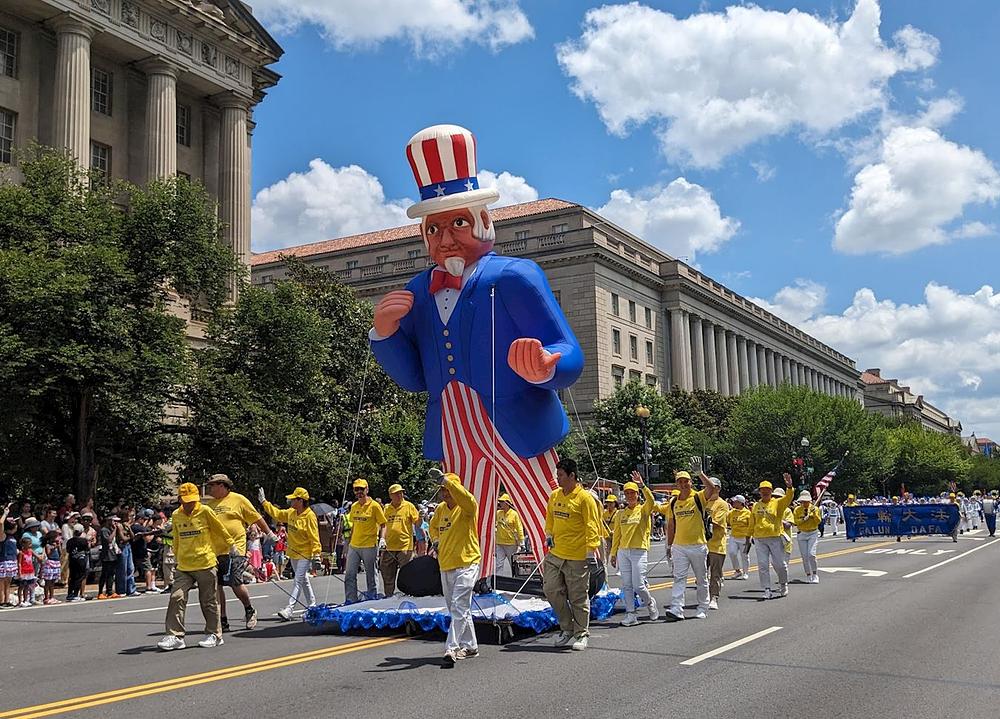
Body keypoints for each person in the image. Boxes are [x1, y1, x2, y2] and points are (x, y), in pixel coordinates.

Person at [370, 125, 584, 576]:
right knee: (468, 514)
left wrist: (547, 366)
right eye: (434, 228)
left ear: (484, 220)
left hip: (516, 420)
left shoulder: (514, 277)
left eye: (458, 223)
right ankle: (472, 582)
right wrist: (385, 335)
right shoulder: (418, 292)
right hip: (454, 425)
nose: (446, 238)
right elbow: (414, 378)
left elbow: (568, 348)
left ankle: (577, 577)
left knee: (544, 506)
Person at [158, 483, 237, 651]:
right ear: (180, 499)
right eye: (185, 501)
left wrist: (232, 546)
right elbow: (177, 538)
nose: (189, 504)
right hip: (184, 565)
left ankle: (214, 634)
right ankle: (175, 636)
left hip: (205, 563)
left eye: (192, 500)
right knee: (176, 597)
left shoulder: (205, 511)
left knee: (208, 601)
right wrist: (177, 558)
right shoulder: (176, 515)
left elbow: (220, 529)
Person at [542, 457, 602, 651]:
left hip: (577, 556)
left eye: (560, 475)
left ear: (572, 476)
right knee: (551, 589)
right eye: (557, 474)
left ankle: (581, 633)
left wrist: (591, 552)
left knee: (577, 596)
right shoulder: (554, 496)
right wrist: (549, 535)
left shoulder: (585, 498)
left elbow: (592, 525)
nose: (557, 478)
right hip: (556, 553)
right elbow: (549, 519)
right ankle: (566, 628)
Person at [204, 474, 274, 631]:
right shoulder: (209, 506)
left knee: (235, 583)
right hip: (215, 551)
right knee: (217, 586)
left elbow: (255, 517)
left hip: (235, 549)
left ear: (222, 486)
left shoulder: (238, 499)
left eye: (212, 485)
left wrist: (269, 533)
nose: (209, 489)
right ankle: (222, 620)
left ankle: (249, 609)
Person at [429, 470, 481, 666]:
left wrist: (448, 481)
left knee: (459, 606)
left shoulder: (467, 507)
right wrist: (435, 540)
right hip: (446, 564)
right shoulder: (441, 510)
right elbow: (433, 527)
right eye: (443, 489)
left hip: (467, 563)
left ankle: (452, 647)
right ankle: (471, 645)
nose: (445, 492)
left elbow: (467, 498)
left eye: (449, 488)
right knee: (457, 608)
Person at [662, 470, 720, 621]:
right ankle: (676, 609)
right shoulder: (674, 502)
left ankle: (702, 607)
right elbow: (671, 524)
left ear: (690, 482)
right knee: (679, 578)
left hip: (697, 545)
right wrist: (669, 545)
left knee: (701, 579)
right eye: (680, 482)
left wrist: (700, 473)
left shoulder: (697, 497)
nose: (683, 484)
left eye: (685, 481)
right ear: (677, 484)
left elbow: (712, 489)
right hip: (679, 546)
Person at [260, 487, 321, 621]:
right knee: (303, 580)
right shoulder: (291, 512)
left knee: (298, 580)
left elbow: (314, 536)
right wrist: (264, 502)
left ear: (300, 501)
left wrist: (316, 554)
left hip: (305, 553)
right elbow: (277, 514)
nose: (291, 501)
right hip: (293, 552)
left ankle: (289, 608)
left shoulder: (310, 516)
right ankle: (312, 605)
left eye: (293, 499)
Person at [610, 471, 658, 626]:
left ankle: (650, 602)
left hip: (639, 551)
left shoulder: (644, 510)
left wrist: (642, 485)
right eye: (627, 493)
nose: (630, 495)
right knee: (627, 585)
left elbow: (651, 500)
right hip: (623, 552)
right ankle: (631, 614)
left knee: (638, 585)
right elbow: (617, 535)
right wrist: (613, 554)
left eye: (633, 493)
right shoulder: (620, 514)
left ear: (637, 494)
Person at [749, 473, 795, 599]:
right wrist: (749, 535)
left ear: (771, 491)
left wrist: (789, 486)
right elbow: (752, 521)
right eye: (762, 490)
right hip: (760, 539)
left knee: (780, 564)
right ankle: (766, 589)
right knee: (763, 564)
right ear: (759, 492)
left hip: (775, 537)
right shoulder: (756, 505)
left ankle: (783, 583)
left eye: (767, 490)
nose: (765, 492)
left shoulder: (777, 503)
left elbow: (789, 497)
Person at [344, 479, 386, 603]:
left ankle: (372, 599)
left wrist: (382, 539)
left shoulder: (374, 506)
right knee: (350, 574)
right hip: (354, 545)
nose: (359, 492)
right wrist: (348, 543)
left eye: (361, 489)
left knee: (371, 575)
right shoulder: (354, 506)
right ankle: (350, 600)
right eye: (356, 489)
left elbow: (383, 524)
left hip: (369, 545)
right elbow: (354, 526)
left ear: (367, 489)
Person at [381, 484, 420, 596]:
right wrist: (382, 539)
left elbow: (417, 523)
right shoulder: (387, 508)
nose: (400, 495)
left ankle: (409, 595)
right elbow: (384, 525)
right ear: (390, 495)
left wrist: (421, 517)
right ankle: (389, 596)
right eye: (396, 493)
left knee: (407, 573)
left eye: (401, 492)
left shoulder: (409, 506)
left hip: (405, 546)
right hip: (389, 546)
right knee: (387, 573)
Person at [704, 477, 729, 610]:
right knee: (701, 574)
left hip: (716, 544)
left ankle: (714, 597)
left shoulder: (722, 504)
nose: (708, 488)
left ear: (718, 488)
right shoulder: (703, 502)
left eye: (712, 486)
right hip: (702, 544)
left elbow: (714, 521)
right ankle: (704, 597)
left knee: (715, 573)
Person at [793, 491, 822, 583]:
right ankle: (808, 574)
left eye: (806, 501)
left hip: (813, 533)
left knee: (811, 554)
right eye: (803, 501)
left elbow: (818, 521)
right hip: (802, 533)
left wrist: (813, 515)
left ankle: (815, 574)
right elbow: (796, 522)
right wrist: (804, 519)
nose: (804, 503)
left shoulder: (815, 509)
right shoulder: (797, 510)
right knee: (804, 556)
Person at [494, 494, 524, 578]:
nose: (500, 503)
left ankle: (515, 579)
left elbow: (519, 528)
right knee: (499, 564)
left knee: (513, 564)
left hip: (511, 544)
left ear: (507, 503)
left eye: (502, 502)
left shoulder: (514, 514)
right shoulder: (498, 513)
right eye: (500, 502)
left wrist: (521, 542)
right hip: (500, 543)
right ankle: (499, 581)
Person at [726, 495, 752, 580]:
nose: (733, 503)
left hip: (744, 537)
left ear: (740, 503)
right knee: (732, 553)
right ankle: (737, 571)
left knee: (744, 555)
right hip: (734, 536)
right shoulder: (731, 512)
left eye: (735, 502)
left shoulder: (747, 513)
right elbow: (727, 521)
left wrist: (750, 537)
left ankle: (745, 572)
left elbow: (751, 525)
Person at [97, 516, 121, 599]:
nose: (115, 523)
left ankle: (109, 591)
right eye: (114, 521)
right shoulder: (104, 530)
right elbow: (109, 540)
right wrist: (115, 530)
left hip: (113, 554)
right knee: (105, 574)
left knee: (111, 574)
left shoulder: (111, 529)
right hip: (106, 555)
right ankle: (100, 592)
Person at [66, 524, 90, 602]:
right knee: (79, 577)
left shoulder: (69, 541)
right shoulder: (83, 541)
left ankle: (70, 594)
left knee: (72, 577)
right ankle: (75, 594)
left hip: (72, 560)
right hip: (81, 561)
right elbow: (87, 549)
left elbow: (68, 550)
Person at [40, 531, 62, 604]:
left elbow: (60, 553)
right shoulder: (48, 545)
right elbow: (49, 554)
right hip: (50, 563)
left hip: (56, 562)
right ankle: (46, 597)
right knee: (48, 582)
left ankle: (52, 597)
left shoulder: (56, 544)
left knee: (53, 582)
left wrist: (59, 547)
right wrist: (53, 548)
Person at [1, 519, 18, 607]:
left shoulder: (13, 537)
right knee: (2, 582)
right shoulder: (3, 535)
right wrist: (5, 514)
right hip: (4, 560)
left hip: (12, 560)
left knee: (8, 582)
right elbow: (0, 523)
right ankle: (1, 601)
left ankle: (7, 600)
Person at [16, 536, 37, 607]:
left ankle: (25, 600)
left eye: (31, 544)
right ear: (23, 545)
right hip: (23, 572)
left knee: (27, 586)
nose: (30, 545)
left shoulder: (30, 551)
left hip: (30, 571)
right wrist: (19, 572)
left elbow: (37, 557)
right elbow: (19, 563)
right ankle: (20, 601)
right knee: (21, 586)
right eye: (29, 544)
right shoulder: (21, 553)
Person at [602, 495, 618, 574]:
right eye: (608, 503)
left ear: (615, 503)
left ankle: (619, 569)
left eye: (611, 503)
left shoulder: (618, 513)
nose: (609, 504)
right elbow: (602, 524)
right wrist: (606, 533)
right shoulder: (604, 513)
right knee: (606, 553)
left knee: (618, 553)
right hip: (607, 536)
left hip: (616, 536)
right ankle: (605, 569)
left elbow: (620, 525)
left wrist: (614, 531)